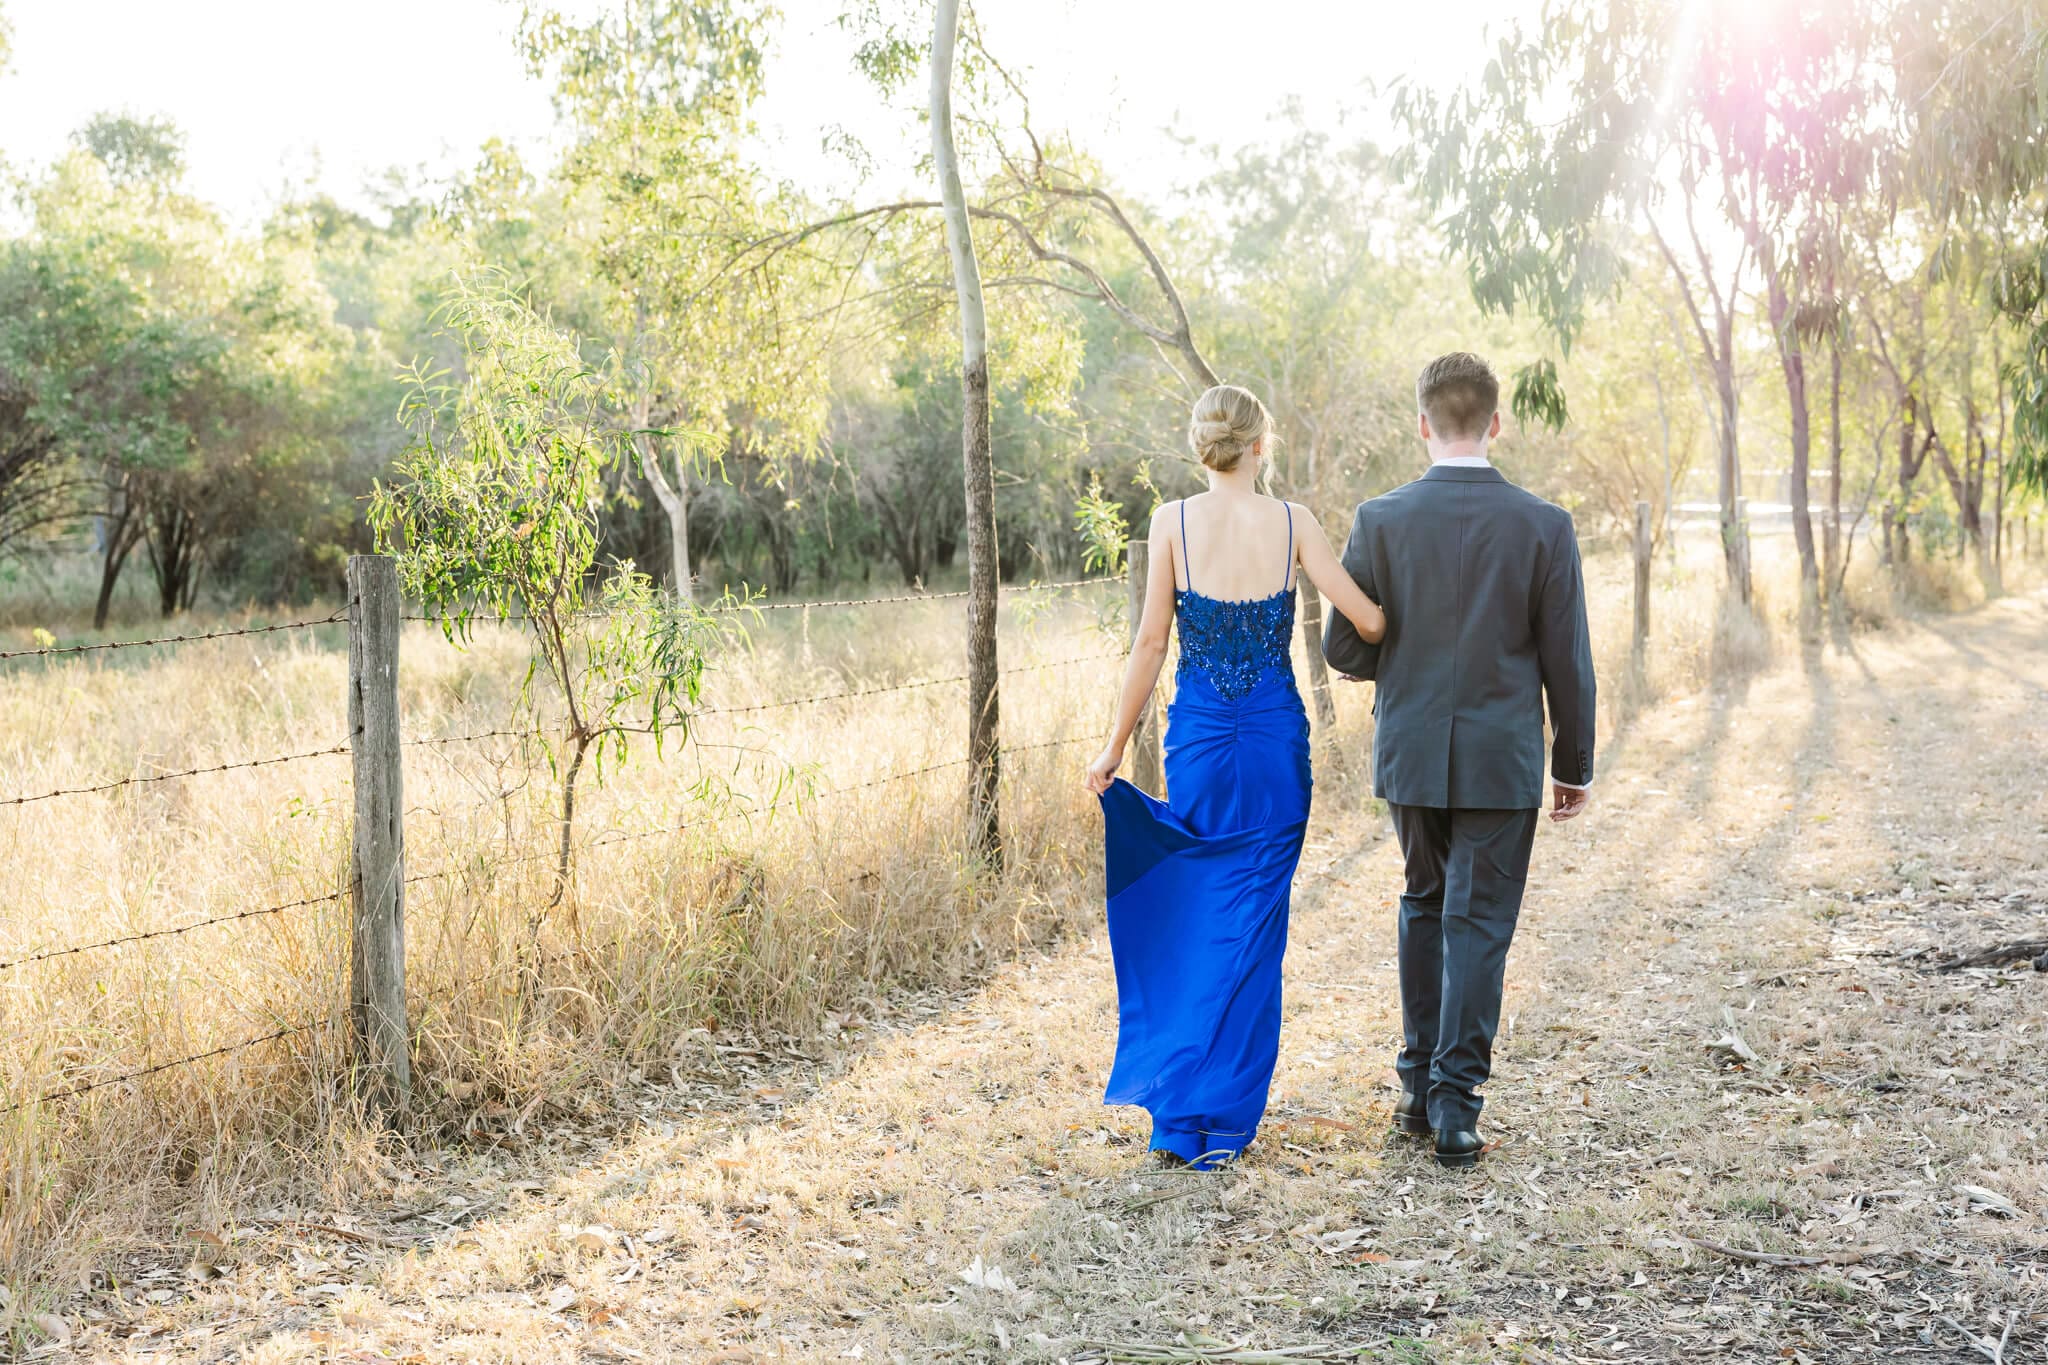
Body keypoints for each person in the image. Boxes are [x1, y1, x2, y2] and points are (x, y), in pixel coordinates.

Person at [1084, 383, 1386, 1169]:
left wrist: (1115, 745)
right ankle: (1227, 1120)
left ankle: (1181, 1117)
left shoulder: (1172, 522)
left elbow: (1151, 644)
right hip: (1278, 745)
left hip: (1201, 744)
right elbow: (1371, 620)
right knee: (1257, 925)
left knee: (1201, 910)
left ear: (1203, 446)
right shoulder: (1294, 523)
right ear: (1262, 445)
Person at [1323, 351, 1596, 1169]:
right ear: (1496, 423)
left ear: (1423, 424)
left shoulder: (1380, 518)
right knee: (1477, 923)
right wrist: (1572, 763)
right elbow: (1568, 660)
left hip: (1411, 751)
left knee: (1423, 901)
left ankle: (1414, 1086)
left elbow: (1344, 645)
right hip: (1502, 756)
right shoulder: (1543, 524)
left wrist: (1400, 653)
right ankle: (1456, 1106)